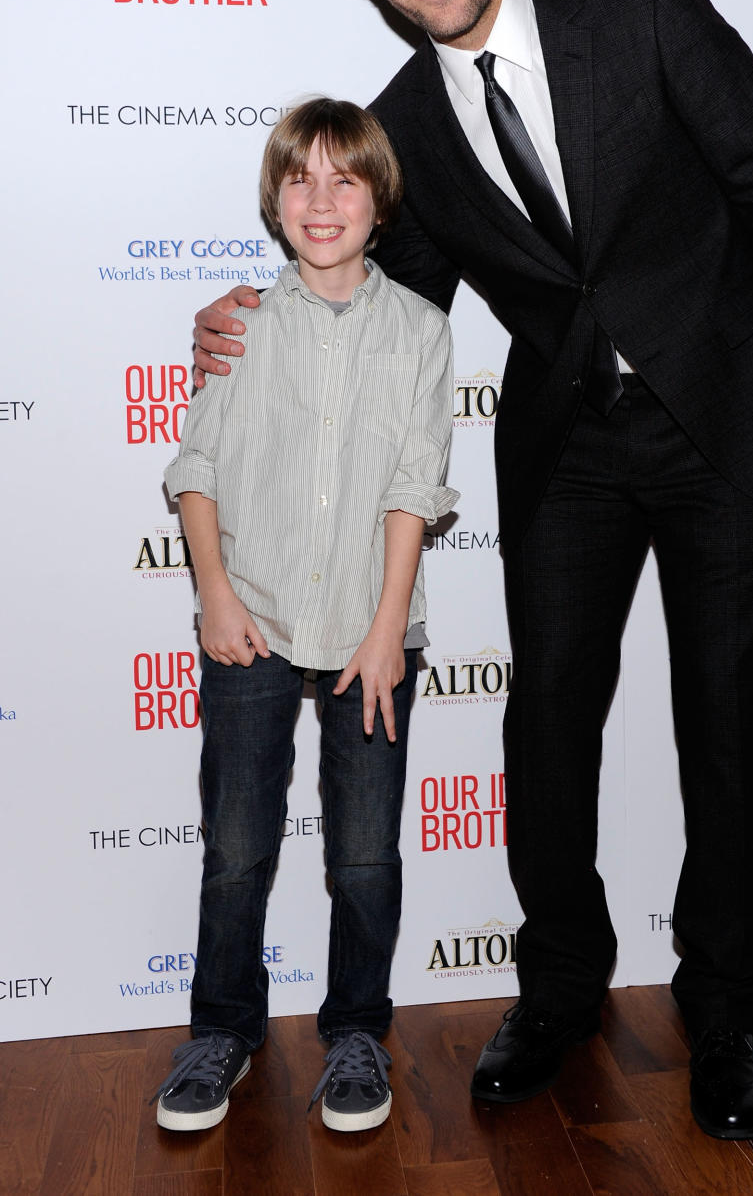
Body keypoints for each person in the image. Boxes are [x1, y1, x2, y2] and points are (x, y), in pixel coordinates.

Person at [192, 0, 753, 1140]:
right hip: (568, 449)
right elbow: (391, 294)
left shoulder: (642, 6)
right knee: (545, 723)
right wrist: (252, 312)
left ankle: (724, 1007)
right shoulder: (401, 129)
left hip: (727, 418)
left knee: (729, 729)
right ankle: (556, 987)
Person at [157, 97, 456, 1134]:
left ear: (380, 202)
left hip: (373, 634)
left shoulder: (423, 330)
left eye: (345, 180)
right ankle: (222, 1030)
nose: (321, 201)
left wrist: (386, 629)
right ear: (273, 200)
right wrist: (217, 598)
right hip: (255, 624)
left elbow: (416, 486)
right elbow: (196, 470)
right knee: (236, 844)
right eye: (300, 179)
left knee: (366, 850)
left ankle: (357, 1032)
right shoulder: (240, 321)